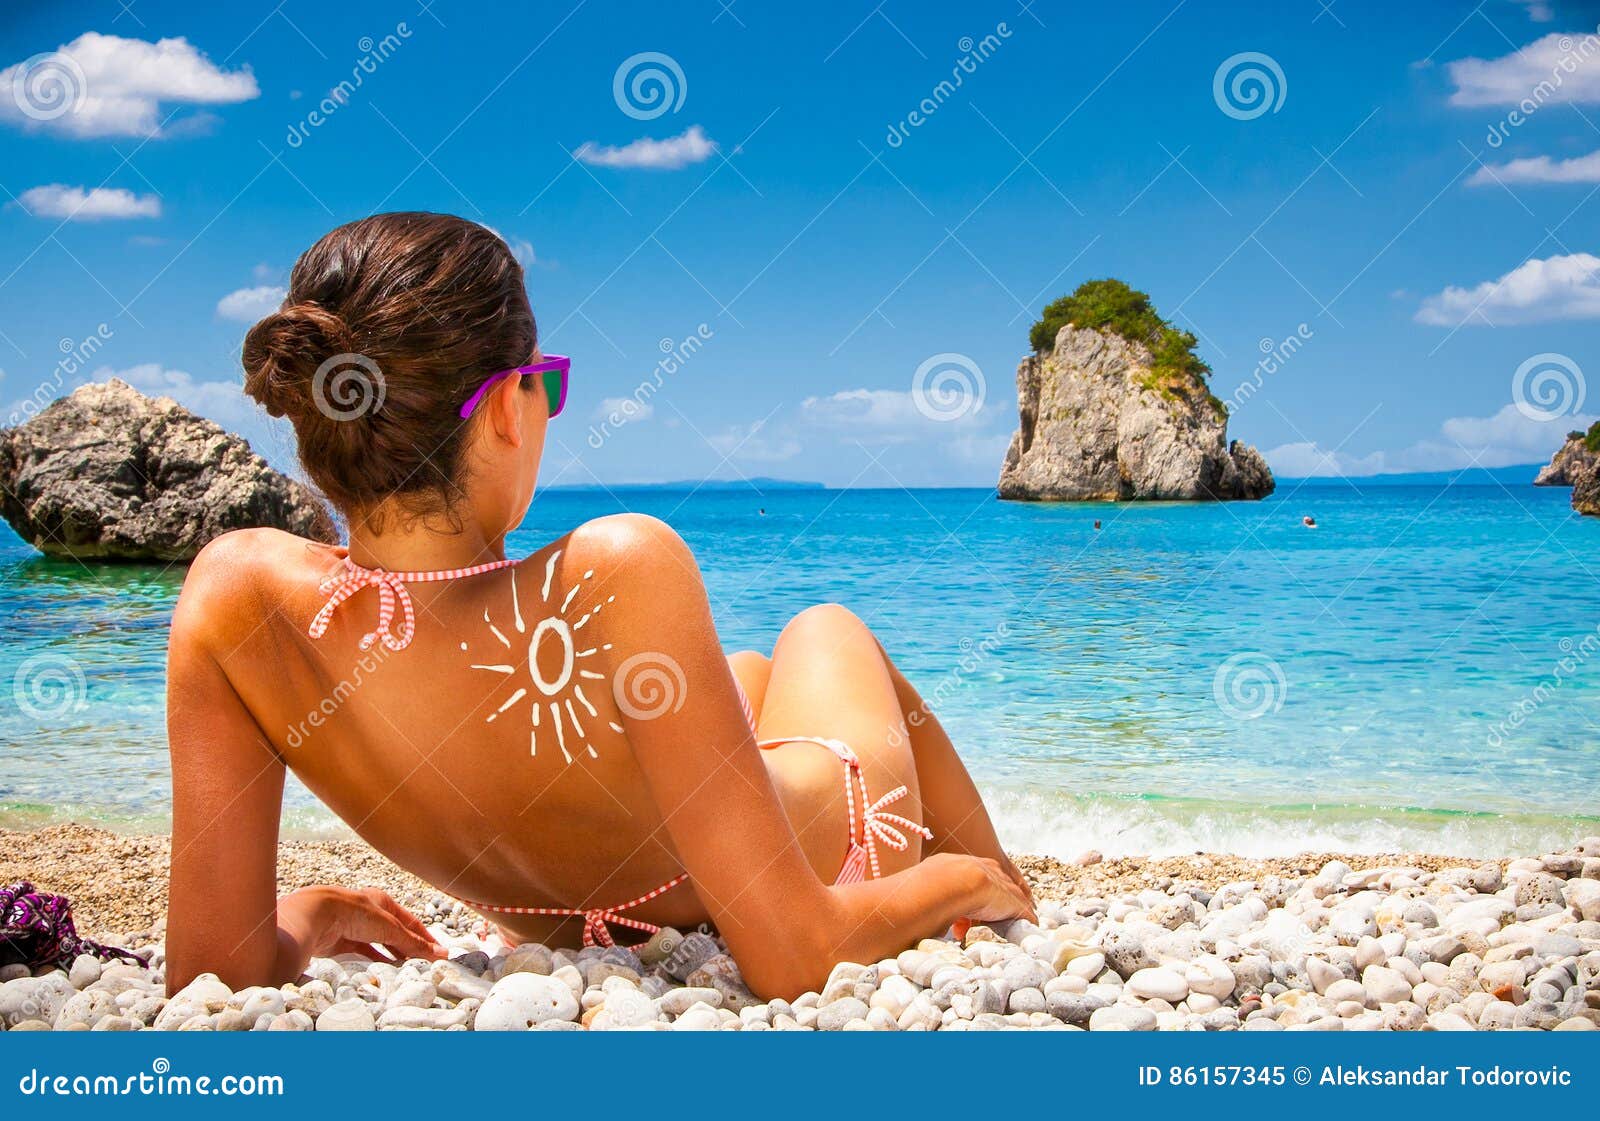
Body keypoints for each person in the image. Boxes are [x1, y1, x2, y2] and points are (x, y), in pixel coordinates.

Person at [164, 213, 1032, 999]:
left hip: (571, 911)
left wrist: (305, 916)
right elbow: (799, 956)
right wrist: (958, 877)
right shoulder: (614, 569)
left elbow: (209, 974)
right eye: (548, 382)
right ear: (509, 404)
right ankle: (1012, 888)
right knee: (824, 629)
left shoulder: (233, 598)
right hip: (830, 864)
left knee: (747, 675)